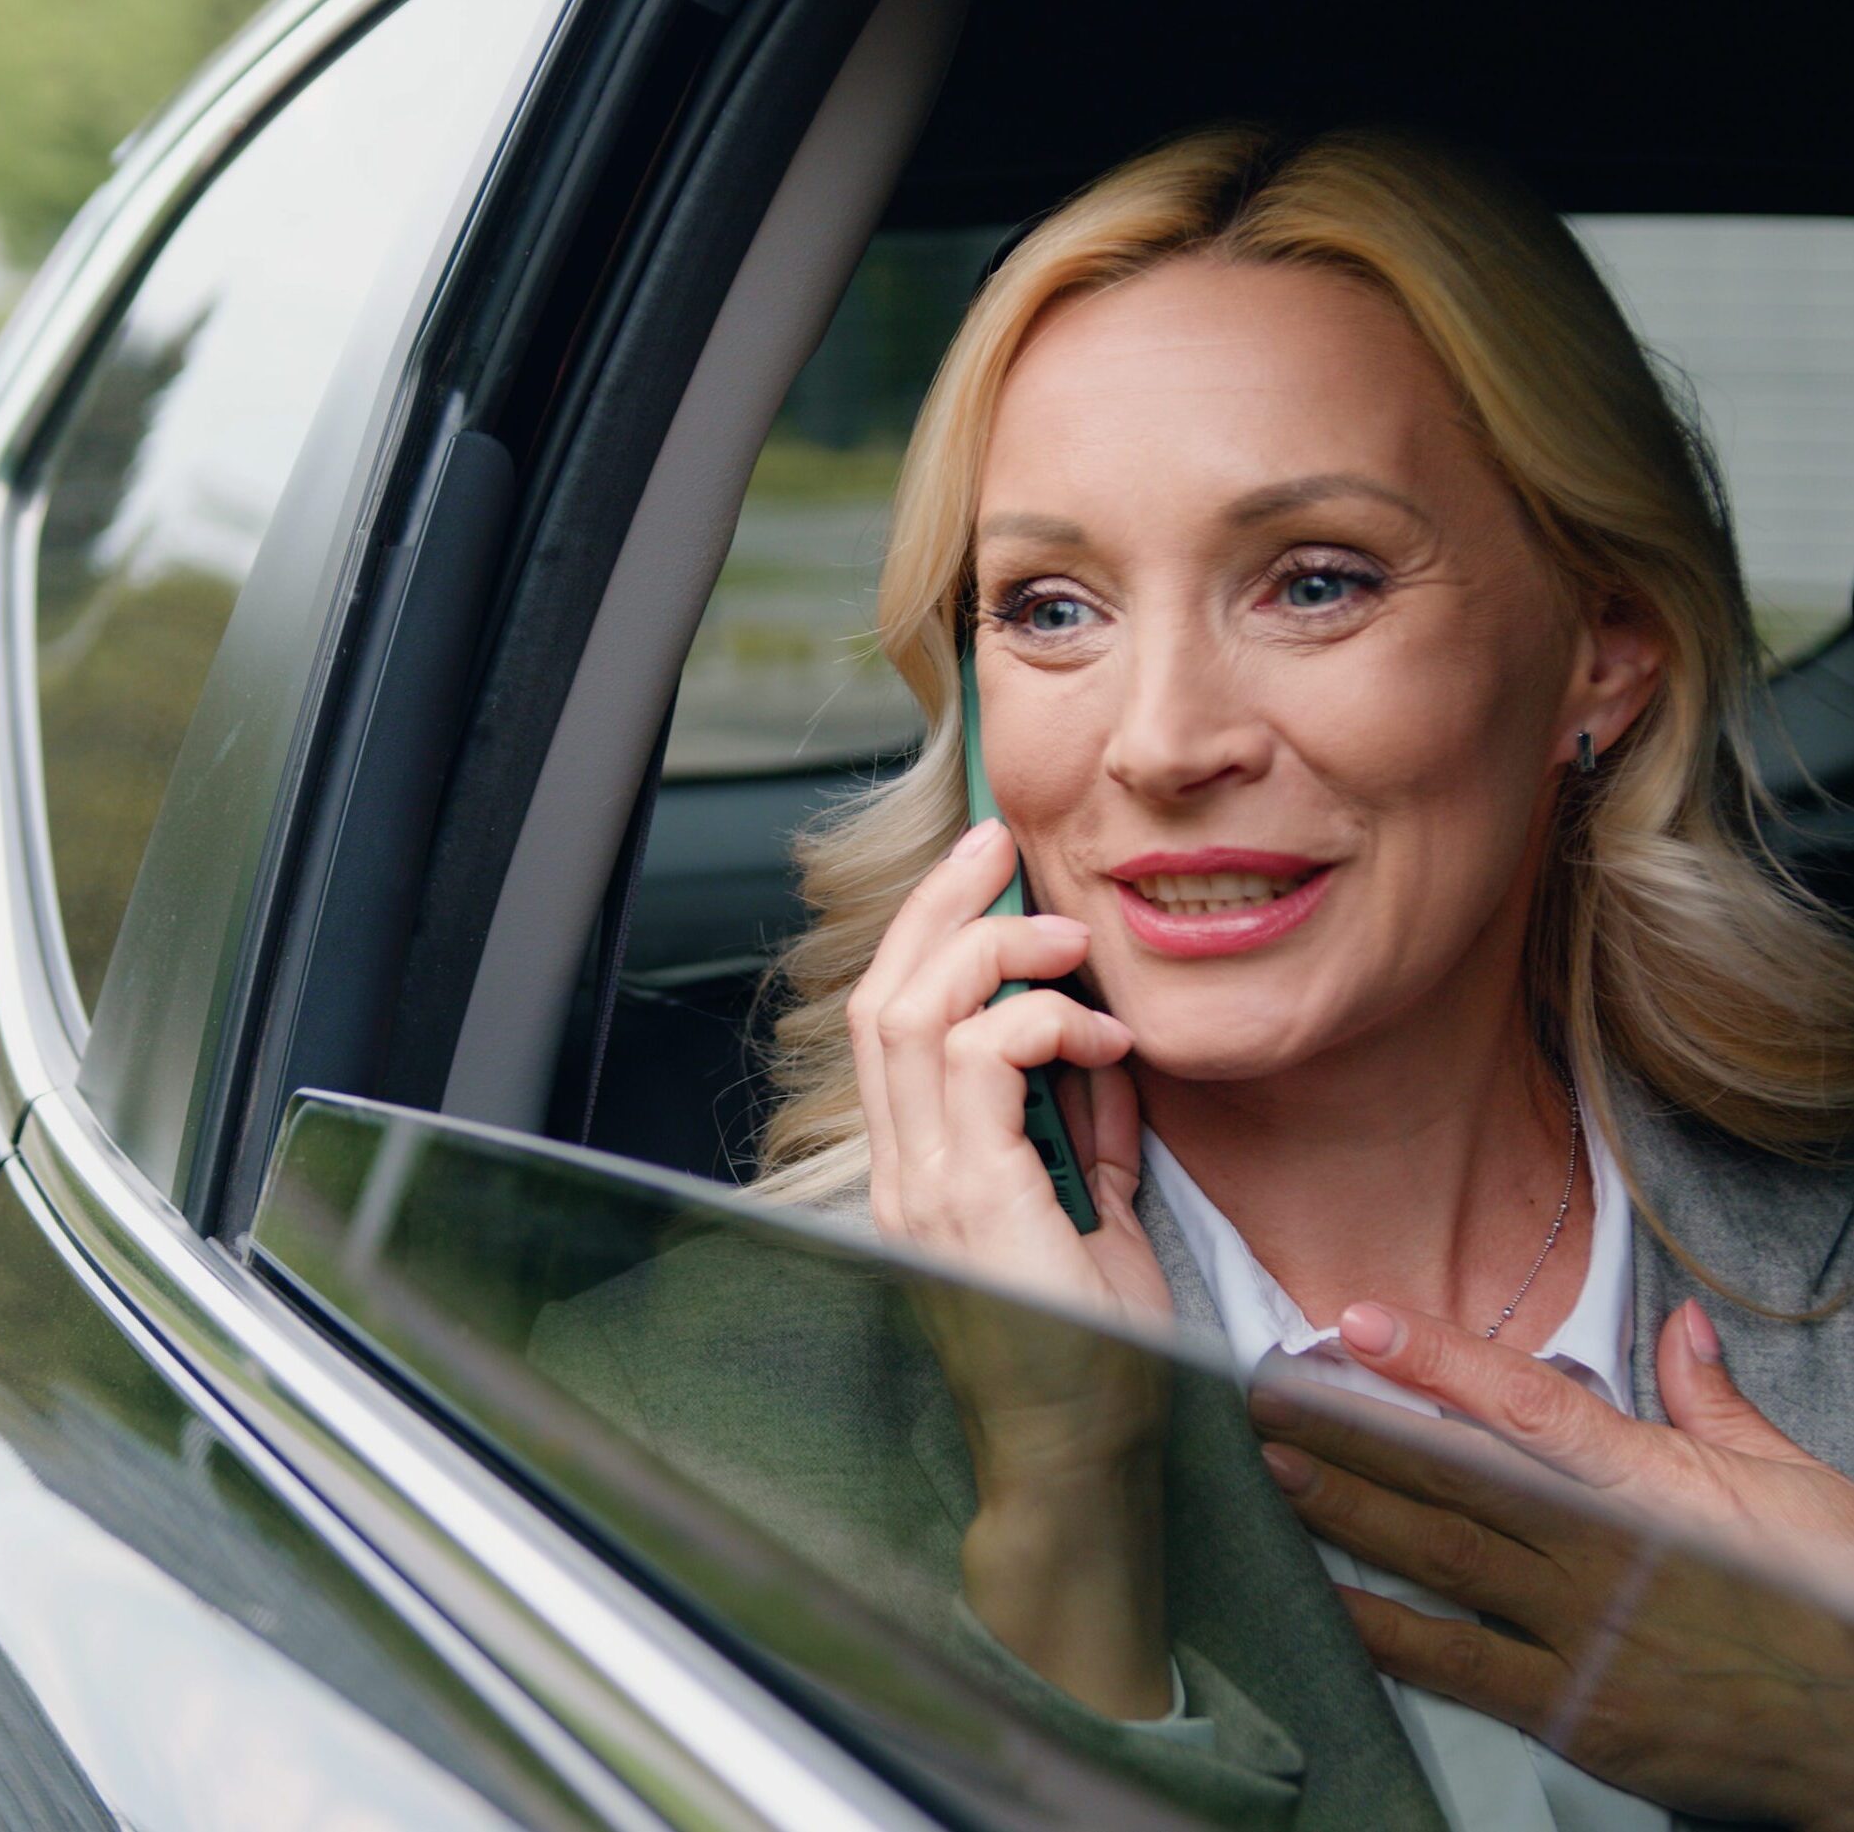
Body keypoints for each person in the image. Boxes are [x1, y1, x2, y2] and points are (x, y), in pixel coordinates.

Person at [533, 126, 1854, 1829]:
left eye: (1312, 583)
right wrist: (1065, 1532)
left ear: (1602, 652)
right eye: (1050, 607)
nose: (1160, 743)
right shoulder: (671, 1416)